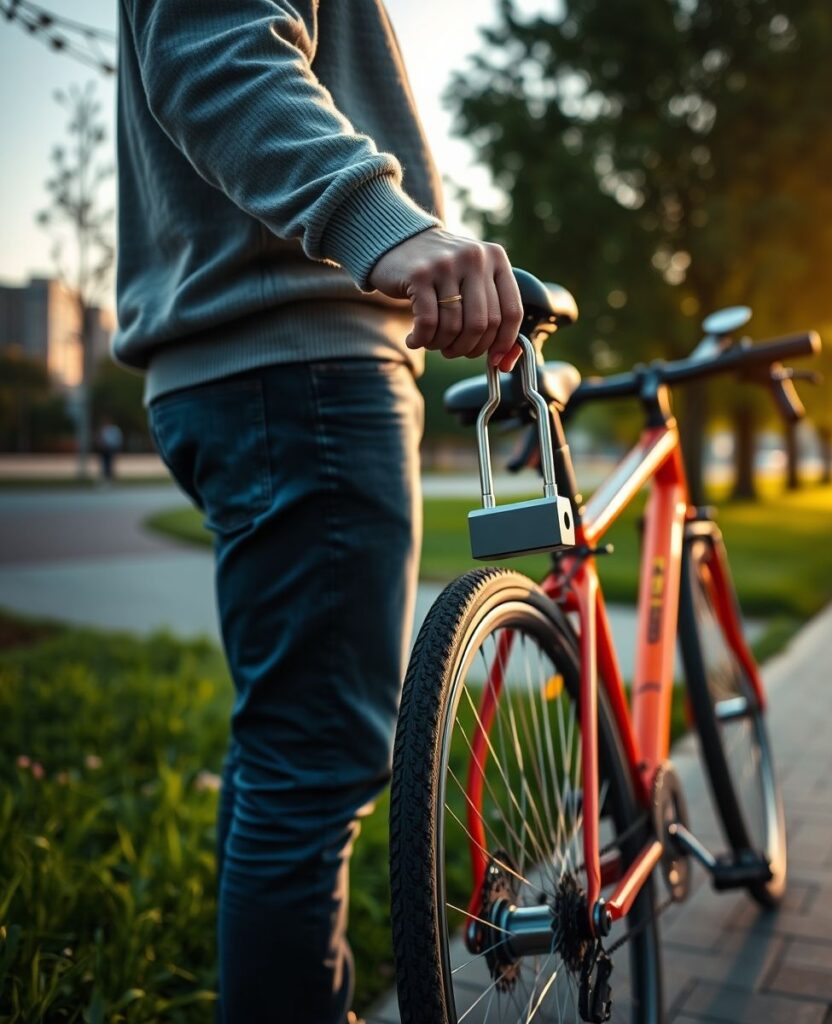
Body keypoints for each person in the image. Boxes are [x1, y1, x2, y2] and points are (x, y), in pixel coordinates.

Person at [112, 4, 524, 1022]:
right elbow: (215, 48)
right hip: (301, 370)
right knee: (314, 763)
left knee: (286, 753)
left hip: (247, 370)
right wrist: (385, 225)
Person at [96, 417, 123, 484]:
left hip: (111, 448)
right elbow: (99, 439)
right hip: (103, 449)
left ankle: (110, 477)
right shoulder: (103, 429)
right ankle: (105, 477)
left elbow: (117, 439)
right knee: (104, 464)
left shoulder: (113, 429)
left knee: (110, 463)